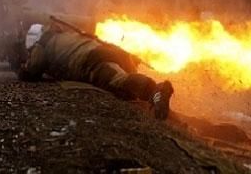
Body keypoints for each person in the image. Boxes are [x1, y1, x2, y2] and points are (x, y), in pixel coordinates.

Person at [16, 22, 174, 120]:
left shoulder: (43, 43)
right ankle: (157, 102)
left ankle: (156, 90)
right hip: (108, 51)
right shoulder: (65, 35)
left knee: (118, 80)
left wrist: (22, 70)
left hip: (93, 60)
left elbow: (33, 69)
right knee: (125, 89)